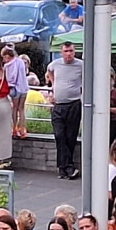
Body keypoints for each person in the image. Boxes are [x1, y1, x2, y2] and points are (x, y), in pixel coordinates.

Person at [46, 42, 83, 180]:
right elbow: (49, 71)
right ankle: (68, 167)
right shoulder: (55, 64)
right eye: (66, 51)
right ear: (61, 52)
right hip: (58, 105)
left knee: (70, 137)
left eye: (71, 51)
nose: (69, 54)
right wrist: (53, 84)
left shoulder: (80, 65)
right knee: (59, 135)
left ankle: (64, 168)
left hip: (73, 104)